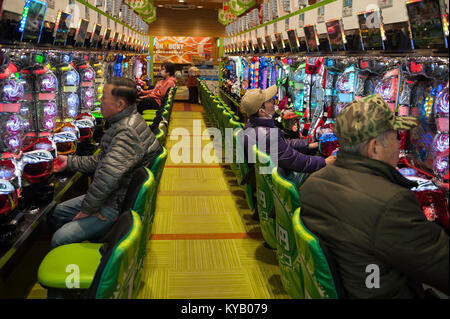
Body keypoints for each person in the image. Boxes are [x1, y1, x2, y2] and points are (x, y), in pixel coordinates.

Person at [298, 94, 449, 298]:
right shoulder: (391, 204)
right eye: (396, 136)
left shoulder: (313, 183)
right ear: (374, 147)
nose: (400, 145)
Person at [48, 77, 163, 250]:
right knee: (57, 212)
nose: (99, 102)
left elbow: (108, 177)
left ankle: (75, 267)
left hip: (116, 204)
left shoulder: (126, 132)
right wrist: (69, 162)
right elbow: (104, 161)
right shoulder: (125, 121)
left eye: (103, 98)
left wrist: (88, 209)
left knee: (60, 238)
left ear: (120, 104)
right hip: (115, 194)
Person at [240, 85, 336, 188]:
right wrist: (325, 161)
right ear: (261, 111)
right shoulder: (266, 135)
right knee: (321, 174)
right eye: (269, 101)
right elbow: (296, 161)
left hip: (262, 179)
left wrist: (309, 145)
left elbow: (282, 144)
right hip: (276, 186)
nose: (274, 102)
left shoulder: (251, 126)